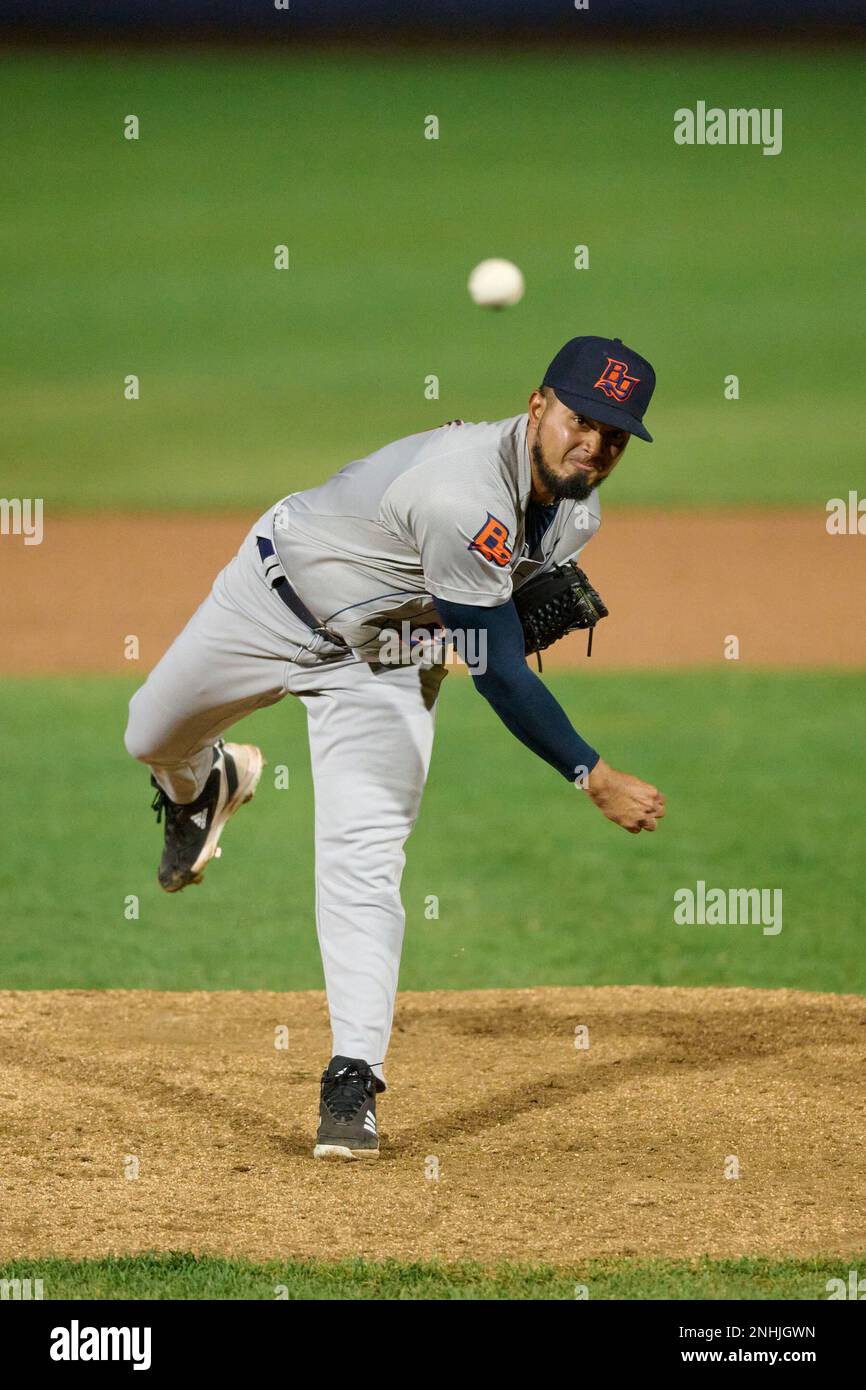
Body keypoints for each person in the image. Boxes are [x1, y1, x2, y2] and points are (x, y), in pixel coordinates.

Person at [124, 334, 666, 1160]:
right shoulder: (461, 493)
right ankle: (204, 784)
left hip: (382, 662)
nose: (593, 443)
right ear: (537, 406)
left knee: (364, 859)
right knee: (150, 733)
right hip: (272, 604)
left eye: (615, 433)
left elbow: (479, 630)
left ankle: (353, 1078)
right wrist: (589, 772)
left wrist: (476, 636)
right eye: (581, 419)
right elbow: (499, 672)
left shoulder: (579, 514)